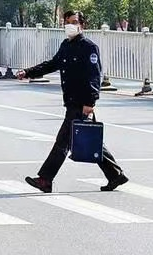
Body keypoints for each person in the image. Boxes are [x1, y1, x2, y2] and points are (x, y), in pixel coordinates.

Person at [16, 11, 129, 193]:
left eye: (74, 22)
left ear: (82, 25)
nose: (70, 25)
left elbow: (94, 76)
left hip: (81, 102)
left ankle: (45, 179)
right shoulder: (66, 45)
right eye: (67, 22)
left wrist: (90, 102)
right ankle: (115, 175)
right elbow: (52, 64)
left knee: (63, 141)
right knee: (88, 139)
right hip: (71, 101)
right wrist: (28, 72)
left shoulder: (88, 47)